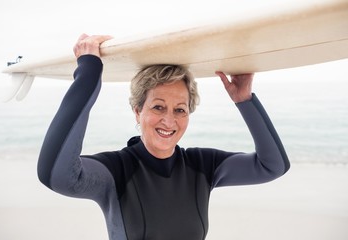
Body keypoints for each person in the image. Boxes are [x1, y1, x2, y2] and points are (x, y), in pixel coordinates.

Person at [37, 34, 290, 240]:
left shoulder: (202, 166)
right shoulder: (116, 172)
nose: (169, 121)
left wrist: (245, 101)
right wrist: (89, 74)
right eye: (158, 106)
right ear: (138, 111)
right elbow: (56, 174)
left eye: (180, 110)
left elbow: (273, 166)